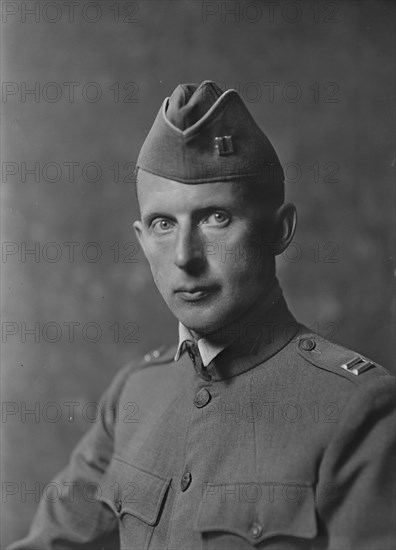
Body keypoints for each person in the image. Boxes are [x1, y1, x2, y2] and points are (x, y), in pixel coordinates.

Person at [9, 81, 395, 550]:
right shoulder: (135, 393)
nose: (185, 256)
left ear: (279, 230)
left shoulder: (357, 410)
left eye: (216, 217)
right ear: (141, 239)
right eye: (163, 224)